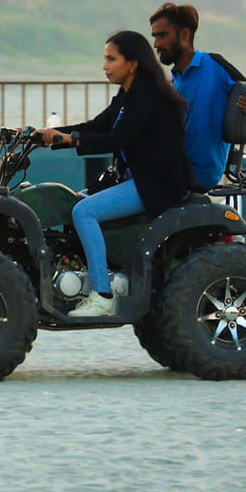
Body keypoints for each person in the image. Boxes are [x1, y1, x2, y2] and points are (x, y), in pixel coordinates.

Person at [35, 30, 194, 317]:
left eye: (111, 59)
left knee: (84, 212)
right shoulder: (128, 94)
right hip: (136, 179)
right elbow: (97, 125)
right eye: (104, 59)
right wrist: (52, 134)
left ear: (132, 63)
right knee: (73, 203)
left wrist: (71, 140)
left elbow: (118, 139)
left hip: (156, 184)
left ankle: (102, 294)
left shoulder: (148, 95)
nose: (105, 66)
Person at [148, 2, 246, 190]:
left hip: (200, 172)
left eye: (163, 35)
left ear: (185, 35)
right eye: (155, 37)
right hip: (176, 168)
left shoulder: (214, 64)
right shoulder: (175, 80)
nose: (157, 44)